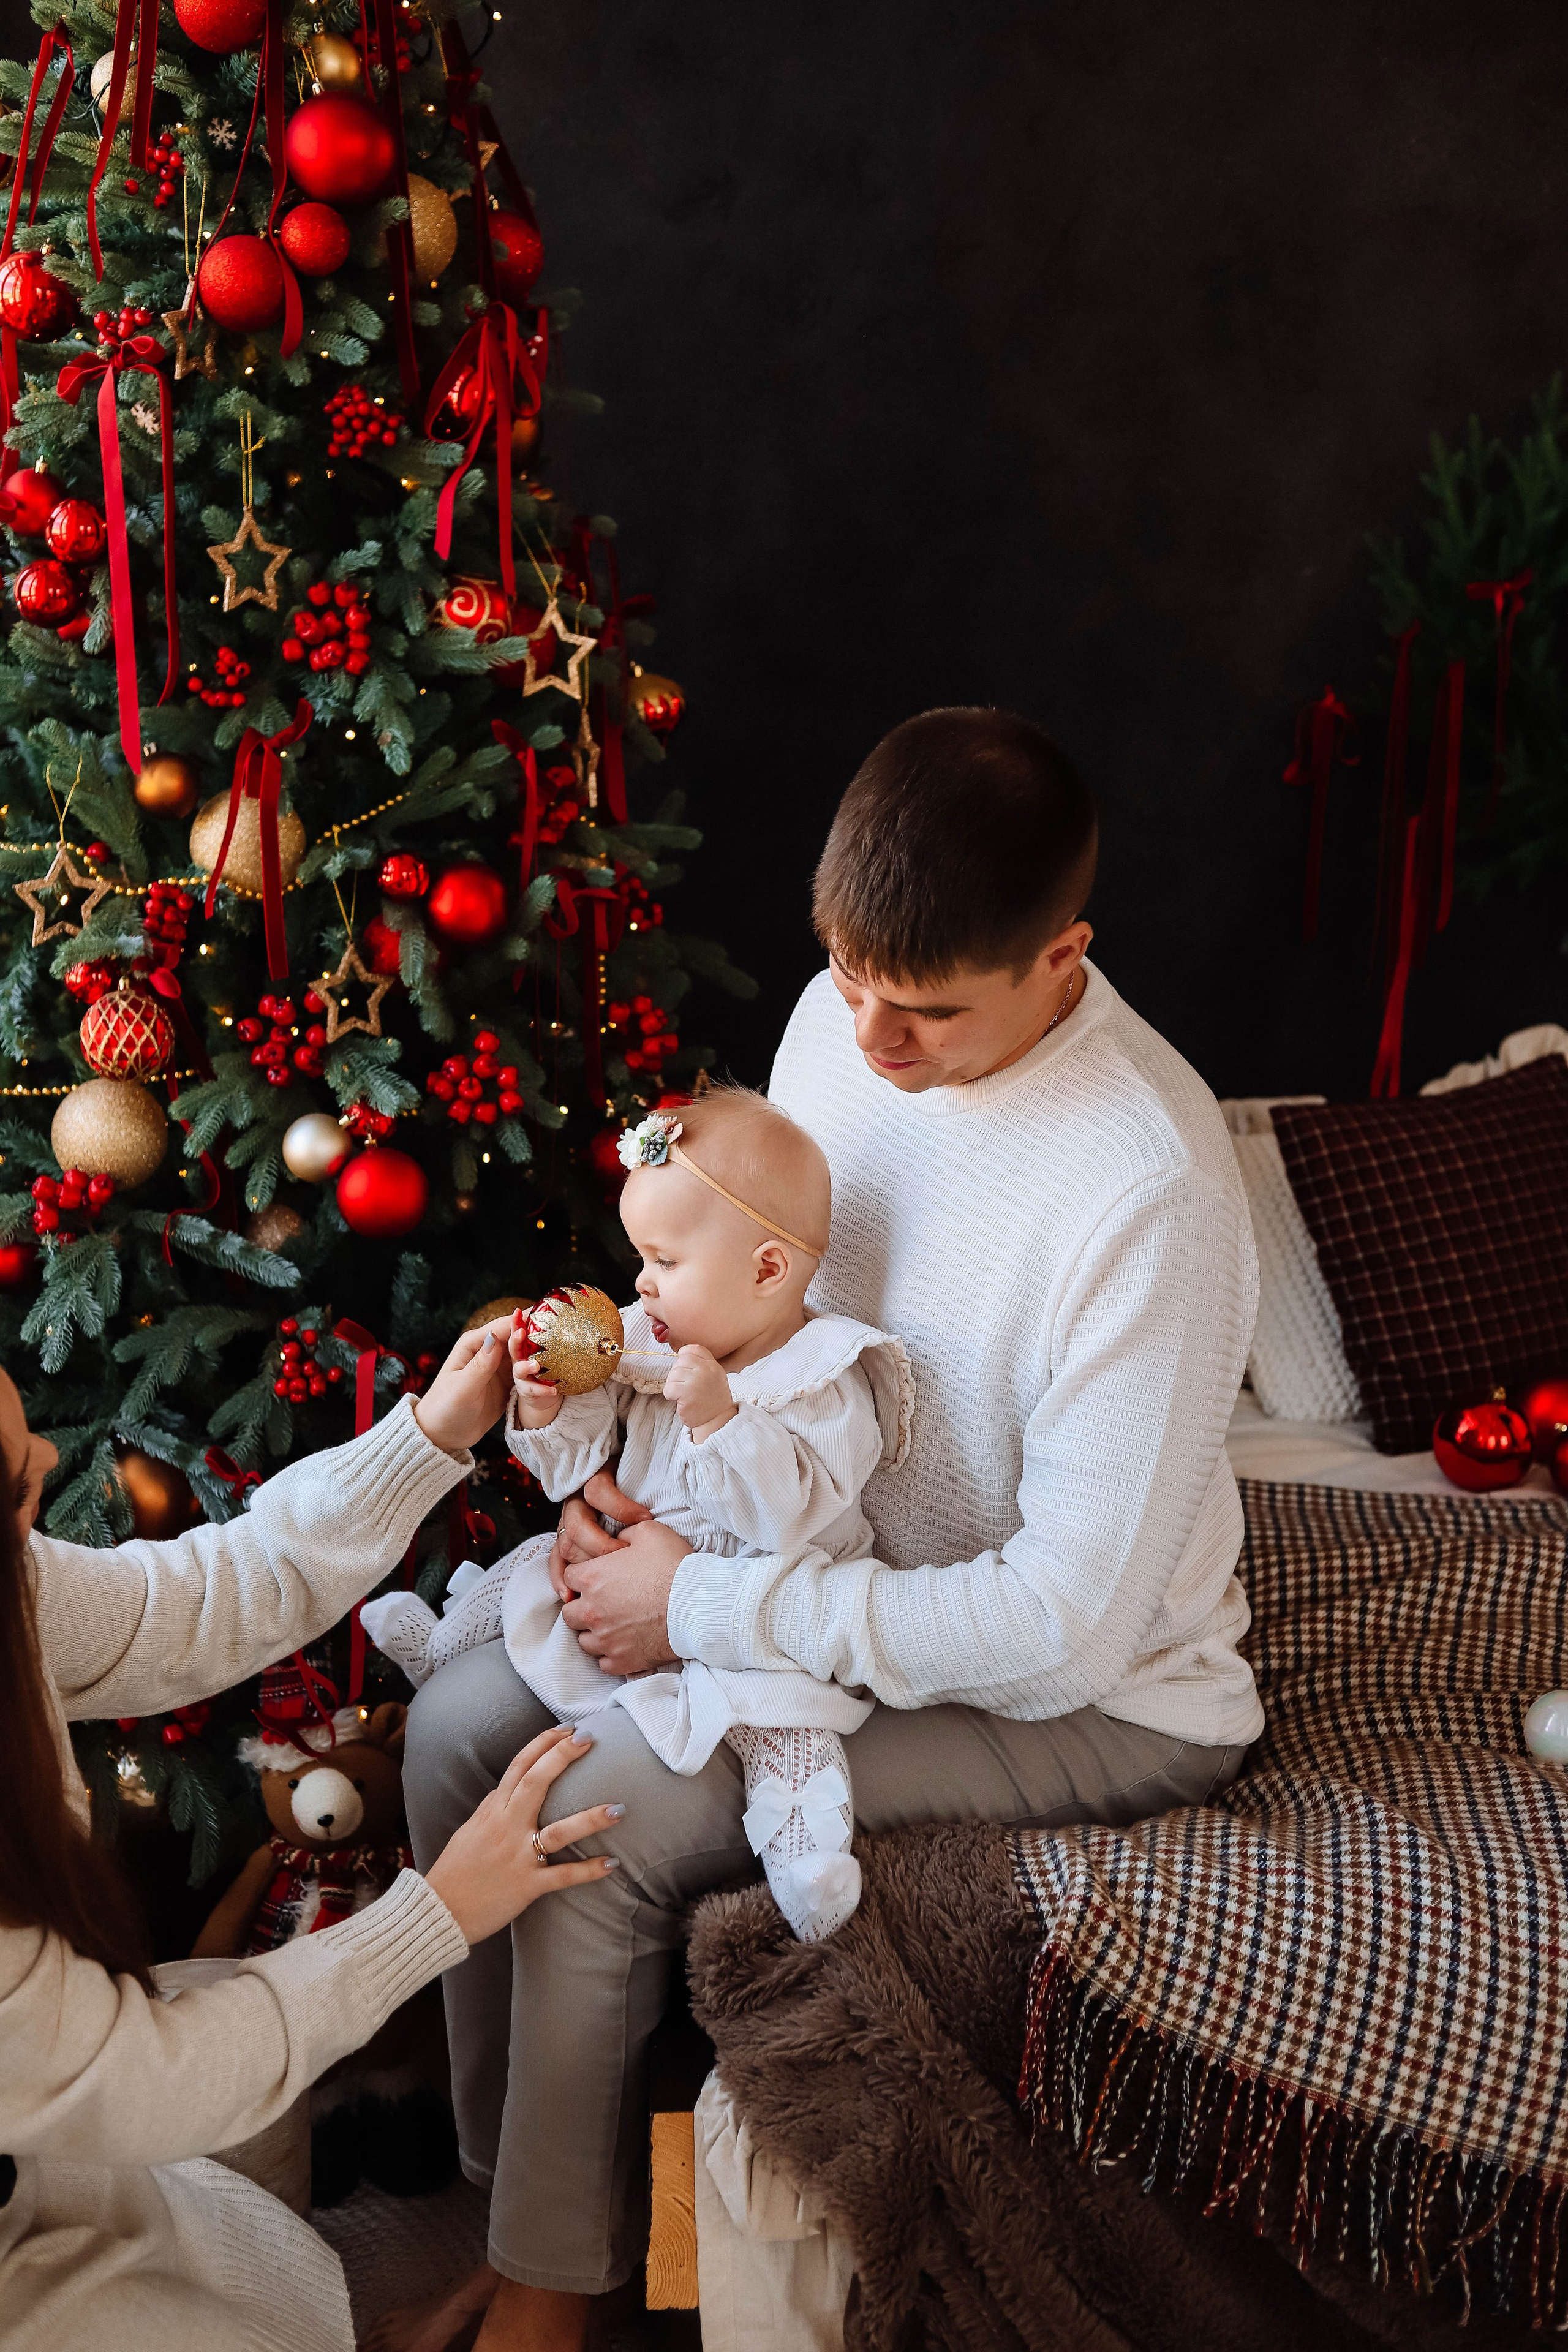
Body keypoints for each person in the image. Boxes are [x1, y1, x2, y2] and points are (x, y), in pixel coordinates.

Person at [396, 706, 1263, 2352]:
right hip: (803, 1565)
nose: (869, 1037)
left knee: (586, 1823)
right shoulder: (824, 1022)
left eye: (926, 1012)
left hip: (1088, 1694)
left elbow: (1055, 1628)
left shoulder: (1145, 1186)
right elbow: (721, 1261)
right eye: (848, 977)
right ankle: (505, 2204)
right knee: (452, 1728)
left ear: (1063, 960)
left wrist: (708, 1603)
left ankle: (549, 2302)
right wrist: (633, 1448)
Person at [0, 1321, 627, 2352]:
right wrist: (434, 1914)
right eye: (18, 1489)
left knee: (231, 2093)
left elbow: (191, 1601)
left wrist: (425, 1435)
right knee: (207, 2107)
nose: (48, 1461)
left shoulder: (11, 1590)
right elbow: (145, 2078)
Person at [365, 1085, 914, 1942]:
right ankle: (438, 1647)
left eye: (664, 1261)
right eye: (640, 1257)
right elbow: (579, 1468)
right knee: (525, 1567)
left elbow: (789, 1515)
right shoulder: (656, 1340)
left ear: (767, 1270)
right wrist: (552, 1408)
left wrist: (722, 1421)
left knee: (785, 1727)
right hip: (622, 1567)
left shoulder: (826, 1377)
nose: (640, 1282)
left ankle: (807, 1857)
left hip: (750, 1605)